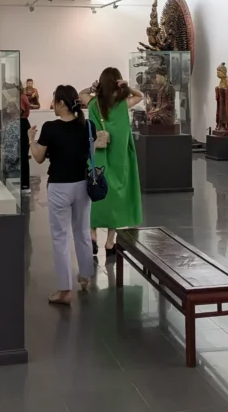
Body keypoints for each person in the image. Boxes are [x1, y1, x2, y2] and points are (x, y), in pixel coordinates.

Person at [29, 85, 95, 306]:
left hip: (59, 187)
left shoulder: (50, 127)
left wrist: (31, 139)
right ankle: (85, 277)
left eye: (56, 101)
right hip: (83, 185)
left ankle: (65, 290)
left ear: (62, 104)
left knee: (60, 237)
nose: (54, 105)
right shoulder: (88, 126)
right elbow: (90, 152)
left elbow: (38, 157)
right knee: (83, 232)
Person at [81, 68, 143, 256]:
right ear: (117, 82)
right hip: (120, 158)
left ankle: (92, 235)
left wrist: (92, 88)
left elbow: (80, 94)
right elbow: (140, 96)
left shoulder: (93, 103)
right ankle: (109, 242)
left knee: (96, 191)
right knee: (116, 194)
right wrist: (128, 86)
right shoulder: (124, 104)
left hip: (97, 155)